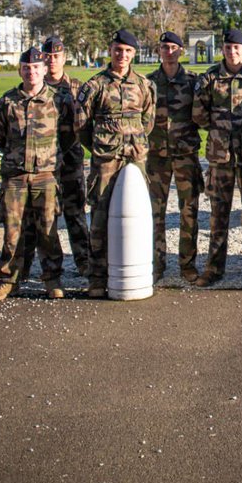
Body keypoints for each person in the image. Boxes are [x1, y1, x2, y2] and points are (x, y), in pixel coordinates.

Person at [75, 29, 155, 299]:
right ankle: (97, 278)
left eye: (128, 51)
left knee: (137, 217)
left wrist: (132, 143)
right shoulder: (95, 85)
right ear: (110, 50)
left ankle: (136, 271)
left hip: (135, 158)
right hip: (106, 161)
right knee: (99, 219)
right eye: (118, 50)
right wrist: (102, 146)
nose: (122, 55)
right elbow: (81, 126)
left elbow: (148, 121)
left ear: (134, 54)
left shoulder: (144, 85)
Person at [0, 47, 69, 302]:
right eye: (26, 68)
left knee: (48, 229)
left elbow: (68, 135)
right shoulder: (7, 103)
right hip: (16, 176)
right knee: (13, 232)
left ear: (44, 70)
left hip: (46, 176)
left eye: (35, 67)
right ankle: (8, 280)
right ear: (20, 70)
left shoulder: (58, 101)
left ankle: (52, 279)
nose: (31, 72)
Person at [192, 28, 242, 288]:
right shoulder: (209, 78)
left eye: (236, 47)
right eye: (228, 47)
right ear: (223, 49)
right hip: (220, 156)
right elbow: (198, 112)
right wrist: (219, 129)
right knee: (218, 214)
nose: (232, 51)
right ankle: (214, 269)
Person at [146, 31, 204, 283]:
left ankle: (187, 264)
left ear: (181, 51)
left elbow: (204, 114)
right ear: (159, 50)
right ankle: (156, 263)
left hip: (185, 154)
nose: (169, 52)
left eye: (173, 47)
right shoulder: (147, 82)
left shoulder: (193, 81)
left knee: (188, 211)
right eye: (164, 47)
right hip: (156, 156)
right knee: (154, 212)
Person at [39, 36, 90, 278]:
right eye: (47, 56)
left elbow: (90, 123)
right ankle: (52, 267)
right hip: (43, 163)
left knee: (76, 211)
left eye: (56, 56)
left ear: (64, 57)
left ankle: (83, 261)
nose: (51, 60)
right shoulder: (34, 87)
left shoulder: (78, 87)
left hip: (71, 158)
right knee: (46, 215)